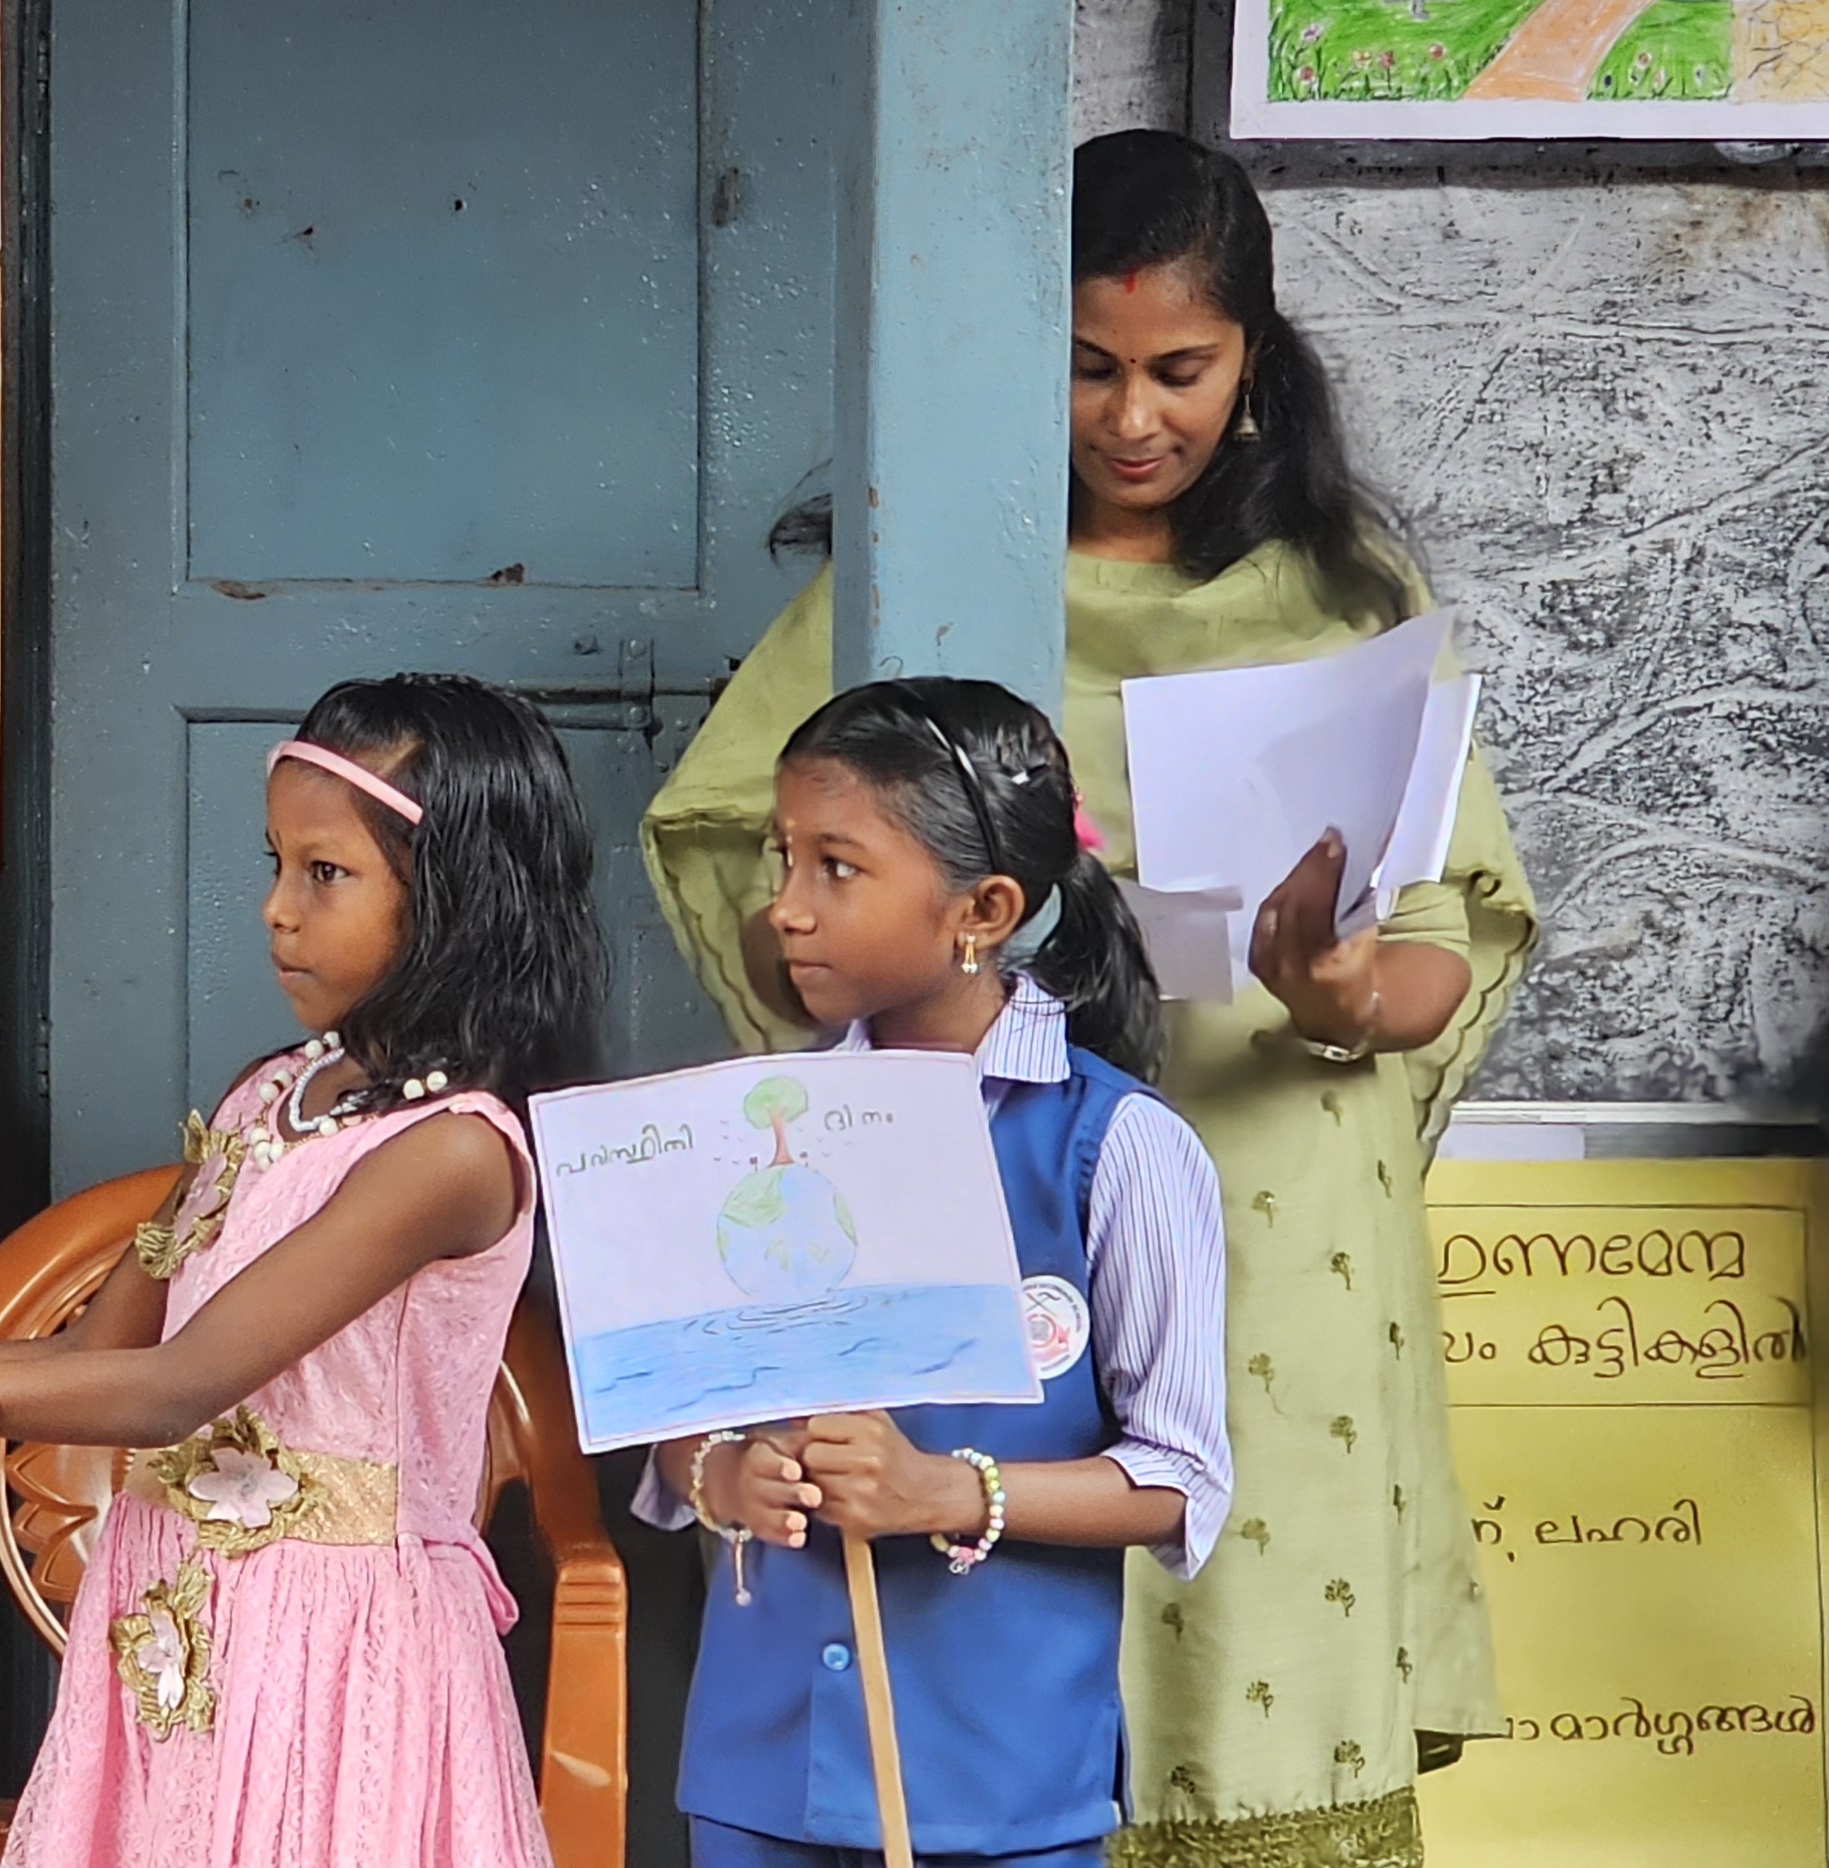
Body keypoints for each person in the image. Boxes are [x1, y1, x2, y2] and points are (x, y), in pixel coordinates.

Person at [641, 129, 1537, 1866]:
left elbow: (1451, 930)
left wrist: (1345, 985)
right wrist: (851, 944)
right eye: (1086, 367)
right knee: (971, 1565)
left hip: (1279, 1184)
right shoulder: (912, 572)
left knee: (1235, 1561)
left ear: (1254, 360)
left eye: (1179, 371)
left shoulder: (1344, 591)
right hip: (979, 1166)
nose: (1133, 418)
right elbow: (750, 886)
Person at [0, 674, 601, 1868]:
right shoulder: (268, 1094)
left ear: (455, 896)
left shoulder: (451, 1153)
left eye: (324, 872)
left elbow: (177, 1385)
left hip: (335, 1651)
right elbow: (96, 1353)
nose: (276, 908)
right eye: (275, 863)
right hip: (175, 1612)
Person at [645, 679, 1232, 1868]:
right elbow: (670, 1420)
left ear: (983, 909)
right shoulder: (748, 1132)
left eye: (836, 867)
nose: (786, 908)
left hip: (997, 1784)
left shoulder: (1114, 1146)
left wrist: (943, 1489)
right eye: (784, 859)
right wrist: (726, 1473)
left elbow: (1178, 1477)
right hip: (761, 1772)